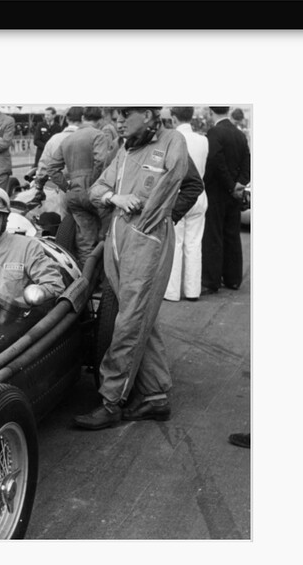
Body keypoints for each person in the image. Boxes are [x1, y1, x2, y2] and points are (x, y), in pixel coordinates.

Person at [73, 107, 191, 429]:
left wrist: (145, 223)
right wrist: (116, 197)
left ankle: (111, 400)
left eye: (127, 112)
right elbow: (96, 190)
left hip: (146, 241)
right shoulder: (125, 150)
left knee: (129, 322)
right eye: (117, 113)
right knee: (139, 317)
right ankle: (155, 396)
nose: (120, 120)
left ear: (150, 115)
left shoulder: (172, 141)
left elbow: (174, 182)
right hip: (118, 240)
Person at [0, 186, 65, 302]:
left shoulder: (27, 248)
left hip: (10, 317)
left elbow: (55, 284)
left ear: (5, 219)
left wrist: (38, 292)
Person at [45, 106, 109, 268]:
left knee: (85, 242)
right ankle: (105, 280)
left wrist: (66, 186)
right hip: (95, 193)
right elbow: (101, 161)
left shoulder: (68, 139)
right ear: (100, 120)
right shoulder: (98, 135)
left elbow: (51, 168)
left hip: (74, 193)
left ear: (83, 119)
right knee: (107, 234)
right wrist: (94, 184)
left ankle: (87, 281)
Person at [201, 106, 251, 294]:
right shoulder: (239, 135)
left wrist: (230, 185)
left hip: (217, 193)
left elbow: (215, 162)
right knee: (232, 235)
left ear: (211, 111)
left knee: (213, 236)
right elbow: (248, 160)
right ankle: (233, 278)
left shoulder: (214, 133)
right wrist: (240, 183)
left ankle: (212, 280)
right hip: (235, 193)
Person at [164, 106, 209, 302]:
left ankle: (172, 291)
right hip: (199, 196)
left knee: (176, 244)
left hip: (179, 195)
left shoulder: (172, 139)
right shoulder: (203, 140)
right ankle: (193, 291)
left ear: (173, 118)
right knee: (194, 244)